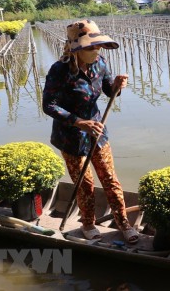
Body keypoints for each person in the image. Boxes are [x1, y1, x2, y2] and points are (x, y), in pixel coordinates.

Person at [42, 19, 138, 244]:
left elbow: (108, 91)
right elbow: (49, 105)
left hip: (97, 131)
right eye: (92, 46)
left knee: (110, 179)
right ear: (77, 48)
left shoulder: (100, 63)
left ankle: (123, 223)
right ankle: (87, 223)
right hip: (71, 136)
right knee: (84, 184)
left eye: (98, 45)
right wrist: (77, 122)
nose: (97, 49)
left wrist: (116, 86)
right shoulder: (59, 70)